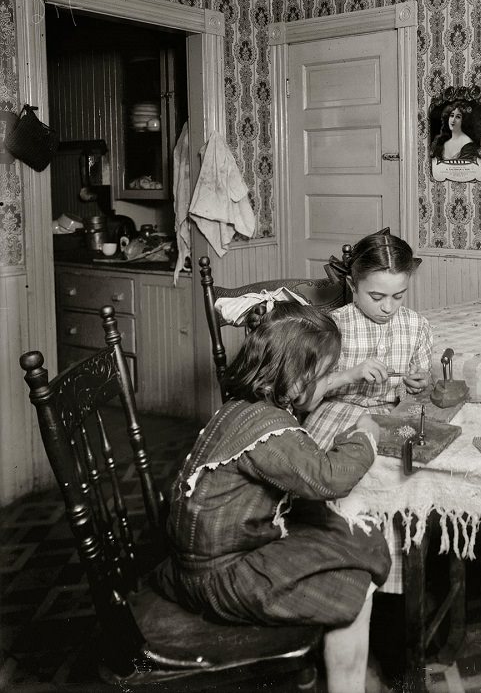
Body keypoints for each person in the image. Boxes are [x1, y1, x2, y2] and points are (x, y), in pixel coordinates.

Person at [155, 302, 391, 693]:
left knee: (349, 538)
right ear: (294, 379)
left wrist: (341, 377)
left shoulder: (246, 405)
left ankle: (352, 672)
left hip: (215, 552)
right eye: (322, 373)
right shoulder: (272, 434)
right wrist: (365, 435)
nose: (325, 380)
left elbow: (307, 394)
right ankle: (349, 681)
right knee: (354, 568)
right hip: (222, 575)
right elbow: (330, 478)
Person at [306, 230, 433, 450]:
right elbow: (305, 397)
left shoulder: (418, 326)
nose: (388, 307)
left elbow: (419, 392)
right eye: (376, 297)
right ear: (352, 285)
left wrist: (419, 382)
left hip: (394, 418)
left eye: (398, 296)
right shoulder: (333, 326)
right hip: (336, 416)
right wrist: (350, 375)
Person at [429, 101, 481, 183]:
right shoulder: (441, 142)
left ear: (463, 120)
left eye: (458, 117)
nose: (453, 120)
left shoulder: (468, 144)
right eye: (451, 115)